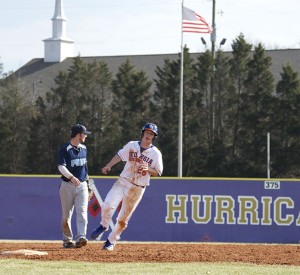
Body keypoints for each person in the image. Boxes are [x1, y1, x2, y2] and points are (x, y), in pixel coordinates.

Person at [90, 123, 163, 251]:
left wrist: (149, 169)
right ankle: (103, 225)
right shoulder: (132, 145)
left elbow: (158, 172)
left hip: (138, 188)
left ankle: (111, 241)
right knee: (107, 204)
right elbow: (119, 155)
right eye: (146, 132)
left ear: (154, 137)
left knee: (123, 220)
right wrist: (109, 165)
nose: (148, 135)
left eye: (151, 134)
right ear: (142, 133)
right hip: (123, 182)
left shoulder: (155, 153)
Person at [57, 123, 92, 248]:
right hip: (67, 185)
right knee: (67, 215)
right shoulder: (65, 148)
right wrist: (71, 177)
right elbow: (61, 166)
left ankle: (81, 237)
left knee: (82, 211)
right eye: (84, 134)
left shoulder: (84, 148)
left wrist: (88, 184)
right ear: (78, 135)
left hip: (82, 185)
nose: (86, 136)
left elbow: (85, 168)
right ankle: (67, 240)